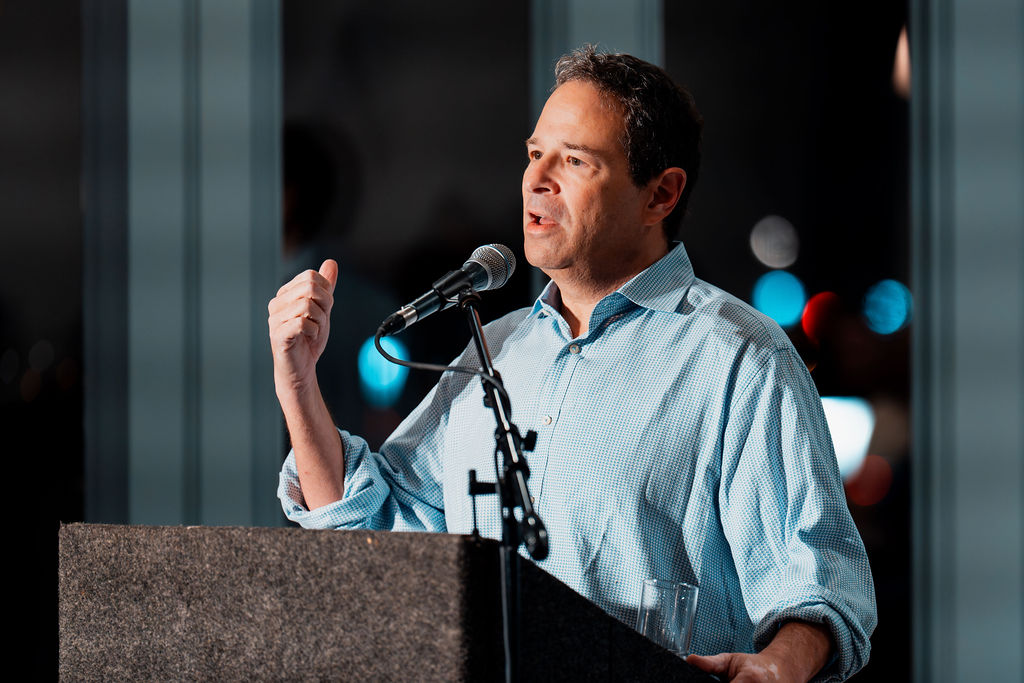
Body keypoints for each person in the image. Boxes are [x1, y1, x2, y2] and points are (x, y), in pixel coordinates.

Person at [269, 46, 876, 682]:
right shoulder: (495, 350)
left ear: (660, 194)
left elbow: (820, 584)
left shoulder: (737, 359)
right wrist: (298, 383)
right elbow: (371, 525)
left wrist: (780, 666)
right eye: (535, 154)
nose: (537, 179)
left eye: (575, 161)